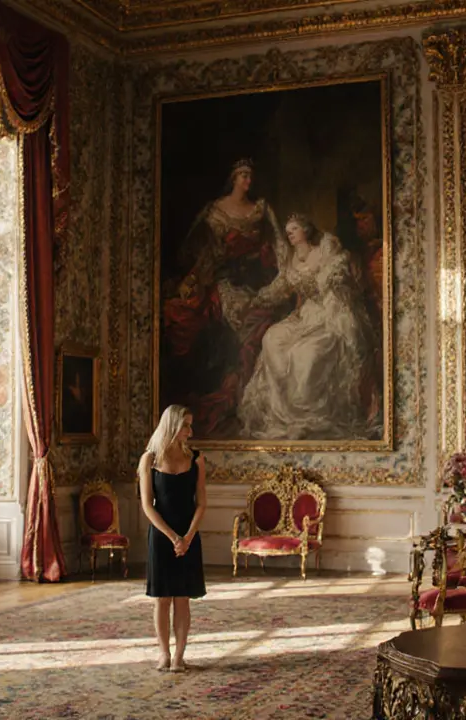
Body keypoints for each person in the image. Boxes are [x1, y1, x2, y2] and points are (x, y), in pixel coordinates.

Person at [160, 159, 288, 437]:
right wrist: (198, 276)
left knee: (263, 323)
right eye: (243, 175)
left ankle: (249, 395)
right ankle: (228, 390)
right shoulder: (216, 211)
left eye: (250, 176)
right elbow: (201, 250)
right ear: (233, 178)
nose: (248, 181)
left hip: (257, 281)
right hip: (226, 281)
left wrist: (285, 274)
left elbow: (280, 245)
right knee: (201, 316)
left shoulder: (261, 209)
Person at [237, 213, 378, 440]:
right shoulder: (292, 259)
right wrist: (256, 299)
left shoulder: (326, 248)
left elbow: (339, 272)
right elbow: (281, 286)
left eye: (294, 229)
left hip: (329, 314)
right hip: (305, 315)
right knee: (272, 338)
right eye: (287, 231)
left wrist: (333, 278)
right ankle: (284, 413)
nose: (289, 233)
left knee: (306, 353)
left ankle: (308, 415)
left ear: (306, 229)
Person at [137, 404, 207, 672]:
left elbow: (201, 503)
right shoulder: (149, 460)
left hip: (189, 535)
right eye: (186, 425)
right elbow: (147, 506)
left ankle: (179, 656)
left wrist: (187, 537)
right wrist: (172, 537)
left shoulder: (197, 459)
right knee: (162, 598)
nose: (191, 431)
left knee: (182, 598)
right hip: (161, 536)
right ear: (173, 425)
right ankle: (163, 654)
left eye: (190, 425)